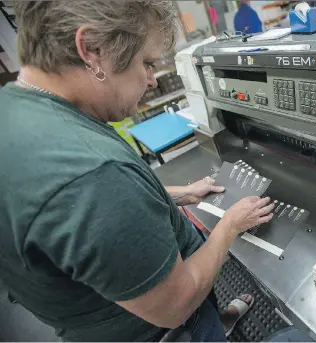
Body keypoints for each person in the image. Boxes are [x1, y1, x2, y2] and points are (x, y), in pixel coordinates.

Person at [0, 1, 274, 341]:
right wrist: (229, 226)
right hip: (164, 327)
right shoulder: (93, 175)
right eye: (146, 63)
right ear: (91, 50)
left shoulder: (14, 108)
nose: (150, 81)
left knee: (209, 315)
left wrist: (179, 194)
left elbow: (71, 228)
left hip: (95, 319)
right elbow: (176, 303)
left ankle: (219, 317)